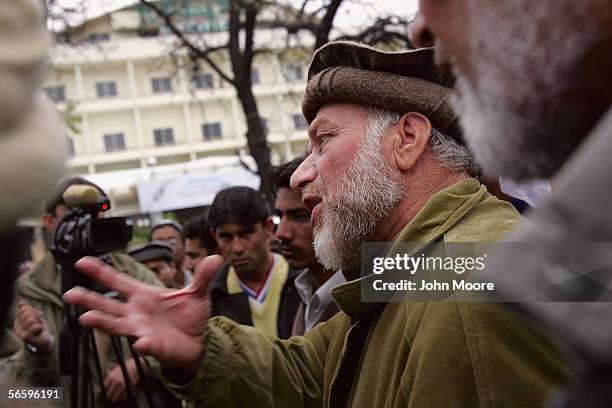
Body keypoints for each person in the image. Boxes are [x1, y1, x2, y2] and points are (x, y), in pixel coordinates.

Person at [64, 41, 568, 407]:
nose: (303, 172)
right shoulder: (422, 270)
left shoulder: (467, 288)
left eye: (323, 141)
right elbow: (315, 378)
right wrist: (202, 351)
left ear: (408, 140)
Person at [409, 1, 612, 405]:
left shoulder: (470, 264)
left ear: (407, 140)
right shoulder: (392, 269)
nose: (418, 28)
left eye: (324, 141)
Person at [10, 178, 164, 406]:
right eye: (75, 216)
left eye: (95, 214)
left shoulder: (133, 276)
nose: (88, 225)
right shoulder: (25, 292)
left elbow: (178, 338)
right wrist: (37, 351)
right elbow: (9, 393)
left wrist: (141, 366)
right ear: (49, 221)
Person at [0, 0, 66, 392]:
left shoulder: (134, 280)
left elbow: (45, 396)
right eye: (71, 213)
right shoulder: (31, 291)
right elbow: (32, 392)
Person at [207, 186, 301, 339]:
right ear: (214, 235)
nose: (237, 248)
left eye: (246, 233)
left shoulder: (304, 280)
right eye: (226, 237)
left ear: (269, 227)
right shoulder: (212, 296)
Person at [272, 157, 345, 335]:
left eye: (299, 216)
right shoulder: (299, 290)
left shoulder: (368, 300)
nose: (282, 233)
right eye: (279, 216)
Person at [150, 219, 191, 287]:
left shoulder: (196, 278)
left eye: (172, 241)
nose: (166, 246)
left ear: (184, 245)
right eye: (158, 243)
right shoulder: (146, 284)